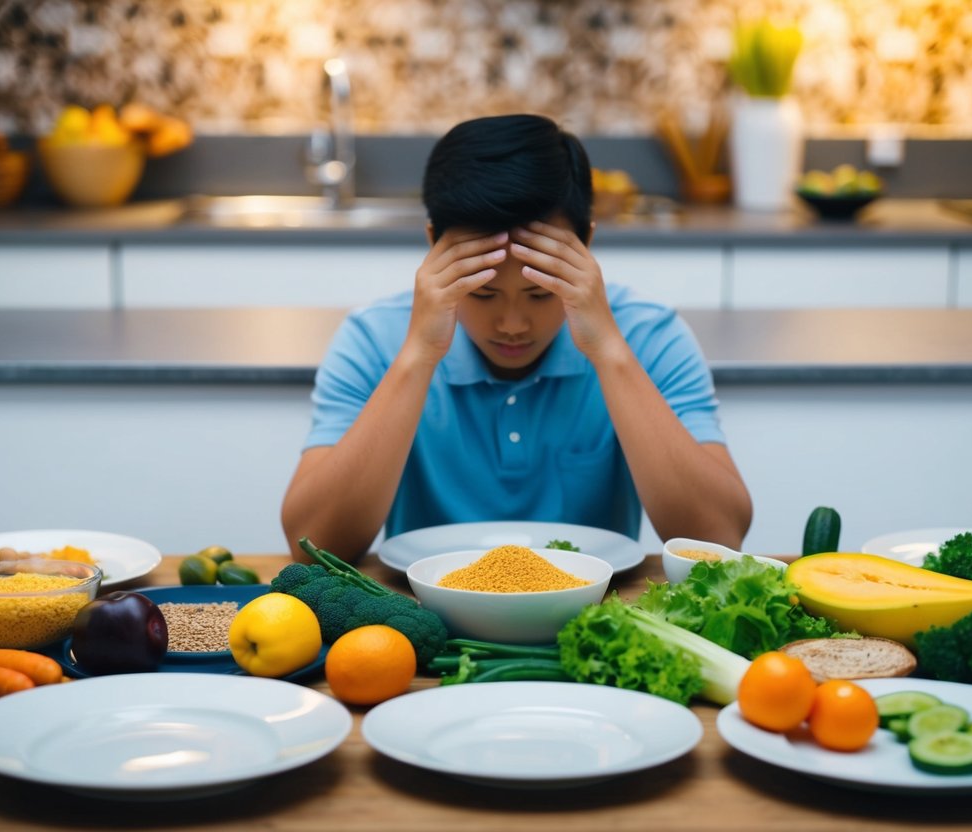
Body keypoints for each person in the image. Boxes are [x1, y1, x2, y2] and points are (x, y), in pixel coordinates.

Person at [281, 114, 751, 563]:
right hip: (418, 623)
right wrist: (418, 357)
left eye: (540, 293)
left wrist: (608, 352)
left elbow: (719, 539)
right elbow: (312, 548)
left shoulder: (648, 337)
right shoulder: (375, 339)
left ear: (584, 244)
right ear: (433, 245)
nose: (511, 323)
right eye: (482, 293)